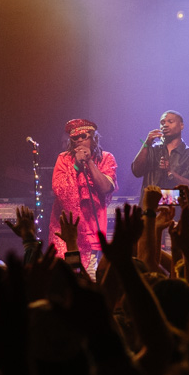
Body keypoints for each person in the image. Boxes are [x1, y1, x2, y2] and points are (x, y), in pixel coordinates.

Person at [48, 118, 116, 277]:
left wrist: (89, 162)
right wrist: (77, 166)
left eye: (83, 136)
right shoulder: (63, 159)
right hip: (65, 231)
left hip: (91, 231)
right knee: (66, 279)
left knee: (89, 279)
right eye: (74, 138)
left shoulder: (106, 158)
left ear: (94, 138)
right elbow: (60, 191)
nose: (79, 140)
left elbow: (106, 188)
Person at [130, 110, 189, 200]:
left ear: (181, 126)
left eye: (170, 122)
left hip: (176, 212)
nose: (165, 125)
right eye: (162, 123)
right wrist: (146, 144)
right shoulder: (151, 150)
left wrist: (170, 173)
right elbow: (136, 172)